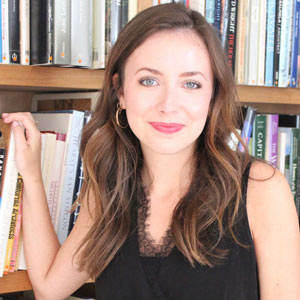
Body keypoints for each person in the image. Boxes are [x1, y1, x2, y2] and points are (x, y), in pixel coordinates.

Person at [2, 3, 300, 300]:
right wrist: (31, 173)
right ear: (120, 90)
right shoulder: (111, 189)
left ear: (213, 96)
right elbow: (48, 288)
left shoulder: (261, 189)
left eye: (191, 84)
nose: (168, 104)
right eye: (149, 80)